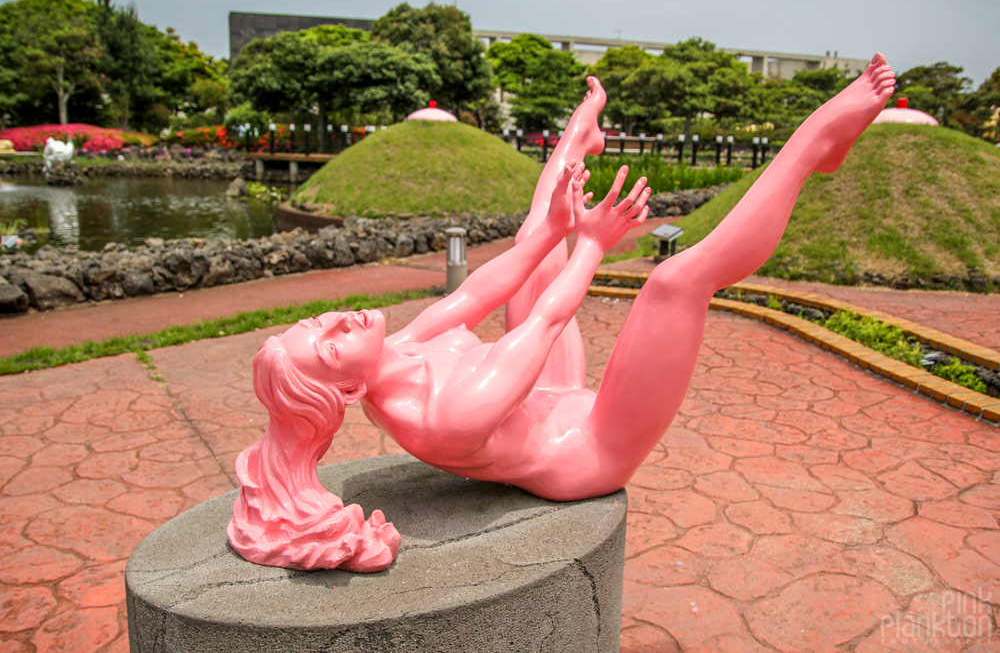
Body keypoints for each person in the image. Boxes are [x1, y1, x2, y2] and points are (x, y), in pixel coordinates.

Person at [229, 54, 896, 571]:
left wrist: (555, 230)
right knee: (674, 282)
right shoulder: (440, 418)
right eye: (327, 342)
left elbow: (477, 291)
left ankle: (581, 137)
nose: (340, 319)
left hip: (543, 398)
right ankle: (816, 145)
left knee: (531, 240)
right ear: (345, 388)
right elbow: (545, 321)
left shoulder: (398, 350)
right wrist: (591, 246)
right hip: (591, 443)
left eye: (316, 321)